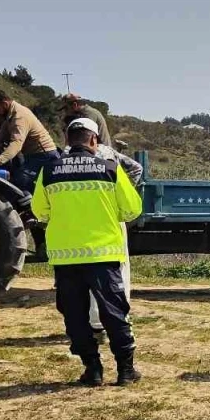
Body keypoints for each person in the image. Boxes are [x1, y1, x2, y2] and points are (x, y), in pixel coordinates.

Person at [31, 118, 143, 386]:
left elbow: (39, 211)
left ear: (68, 141)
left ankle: (92, 370)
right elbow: (132, 210)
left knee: (75, 315)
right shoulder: (110, 168)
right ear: (94, 140)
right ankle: (126, 370)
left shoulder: (50, 170)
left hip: (67, 257)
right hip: (104, 255)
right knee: (114, 312)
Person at [85, 135, 143, 334]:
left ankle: (95, 321)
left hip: (85, 218)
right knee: (118, 272)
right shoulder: (109, 154)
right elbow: (136, 168)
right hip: (111, 217)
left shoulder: (70, 156)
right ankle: (121, 318)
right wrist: (123, 193)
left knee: (89, 273)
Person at [0, 90, 59, 191]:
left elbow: (16, 144)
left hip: (44, 155)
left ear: (5, 104)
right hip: (32, 156)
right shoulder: (10, 114)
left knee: (20, 182)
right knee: (22, 183)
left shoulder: (19, 116)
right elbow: (3, 132)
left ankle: (29, 205)